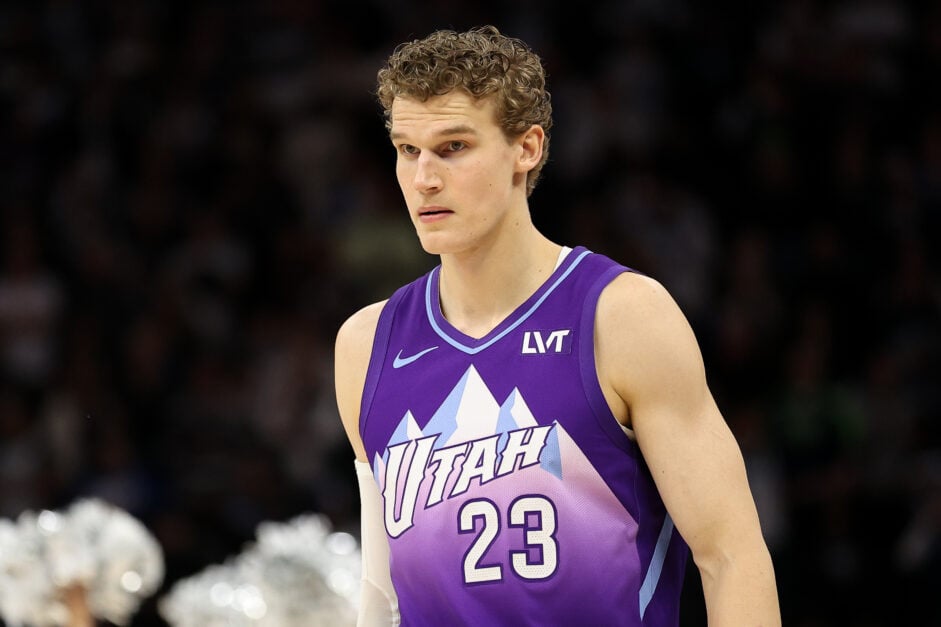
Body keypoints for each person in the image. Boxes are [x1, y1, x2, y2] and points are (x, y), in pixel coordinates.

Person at [334, 25, 780, 626]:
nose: (424, 180)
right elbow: (380, 596)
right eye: (408, 150)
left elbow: (730, 554)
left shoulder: (622, 315)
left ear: (528, 148)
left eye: (454, 147)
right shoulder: (365, 344)